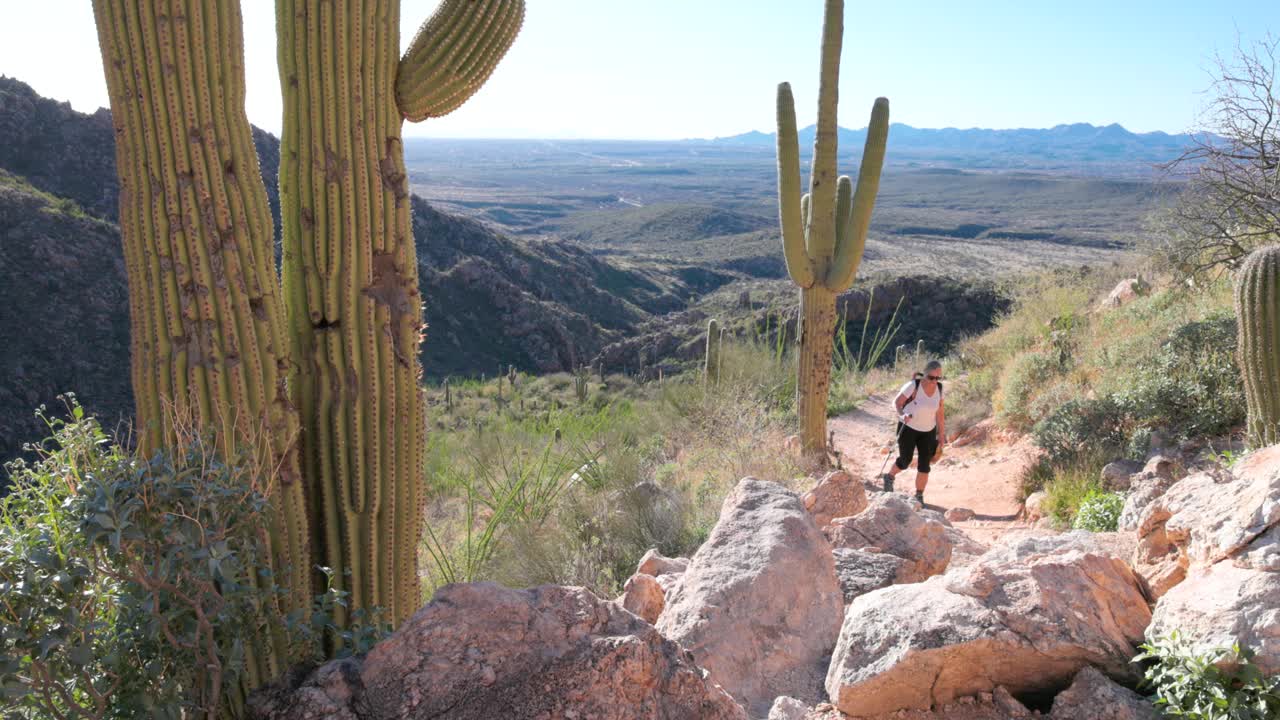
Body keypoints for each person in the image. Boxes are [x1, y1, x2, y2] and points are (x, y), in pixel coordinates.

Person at [882, 360, 946, 505]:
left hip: (928, 431)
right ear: (924, 375)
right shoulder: (913, 386)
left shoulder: (940, 389)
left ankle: (919, 496)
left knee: (925, 465)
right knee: (905, 461)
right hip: (908, 428)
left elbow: (940, 413)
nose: (934, 381)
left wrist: (941, 434)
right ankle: (889, 477)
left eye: (938, 378)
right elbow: (897, 403)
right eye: (931, 378)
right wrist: (902, 415)